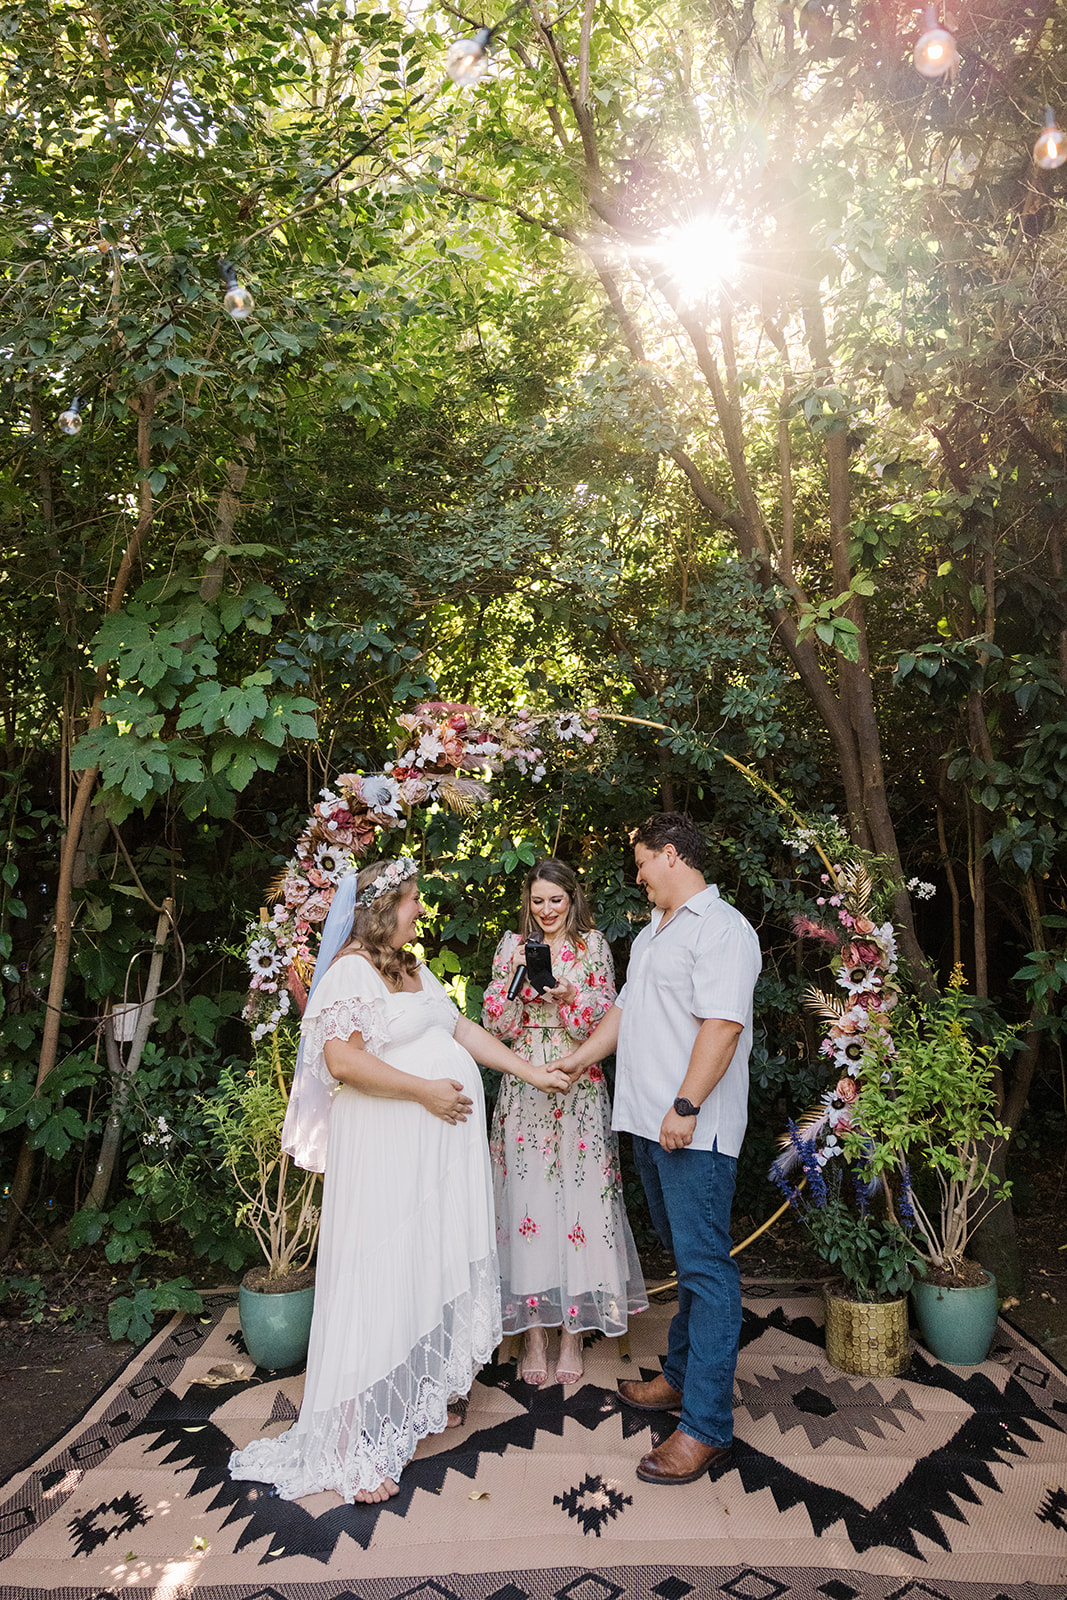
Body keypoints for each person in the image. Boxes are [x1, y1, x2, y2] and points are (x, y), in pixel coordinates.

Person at [229, 856, 571, 1505]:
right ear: (383, 907)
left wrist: (530, 1071)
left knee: (416, 1269)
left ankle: (410, 1399)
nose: (419, 908)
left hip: (430, 1162)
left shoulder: (411, 968)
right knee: (378, 1277)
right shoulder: (351, 970)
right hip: (386, 1153)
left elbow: (459, 1028)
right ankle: (352, 1445)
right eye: (412, 898)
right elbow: (341, 1060)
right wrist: (423, 1092)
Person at [558, 813, 761, 1485]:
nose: (637, 873)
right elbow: (625, 1011)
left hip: (690, 1129)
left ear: (670, 855)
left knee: (707, 1270)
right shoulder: (653, 932)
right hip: (648, 1125)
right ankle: (678, 1377)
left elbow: (723, 1027)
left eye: (642, 861)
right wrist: (577, 1059)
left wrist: (686, 1105)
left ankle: (705, 1428)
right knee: (684, 1262)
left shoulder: (722, 930)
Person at [482, 859, 647, 1386]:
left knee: (581, 1199)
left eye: (556, 900)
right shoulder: (511, 947)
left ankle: (573, 1334)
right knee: (527, 1200)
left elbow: (607, 1018)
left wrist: (572, 997)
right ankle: (534, 1334)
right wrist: (516, 987)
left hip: (578, 1080)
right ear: (527, 902)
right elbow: (494, 1026)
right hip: (525, 1078)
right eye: (538, 901)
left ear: (572, 899)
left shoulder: (592, 945)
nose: (547, 910)